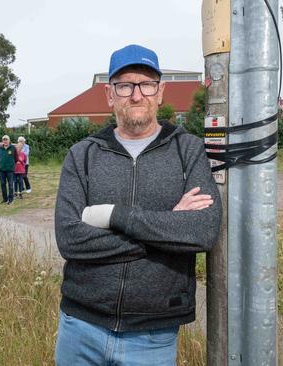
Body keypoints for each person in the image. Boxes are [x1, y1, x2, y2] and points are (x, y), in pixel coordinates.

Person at [54, 44, 222, 365]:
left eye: (146, 84)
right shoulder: (83, 155)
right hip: (80, 328)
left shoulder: (188, 150)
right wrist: (167, 230)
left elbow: (202, 231)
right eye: (125, 85)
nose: (136, 95)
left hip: (152, 336)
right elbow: (69, 238)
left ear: (160, 92)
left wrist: (113, 215)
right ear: (109, 94)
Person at [0, 135, 17, 204]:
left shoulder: (13, 148)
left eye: (6, 140)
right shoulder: (0, 148)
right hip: (2, 170)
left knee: (10, 184)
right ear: (2, 141)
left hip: (10, 170)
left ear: (9, 140)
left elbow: (16, 159)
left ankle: (11, 199)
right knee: (2, 184)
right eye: (4, 140)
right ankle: (5, 199)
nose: (5, 141)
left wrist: (11, 165)